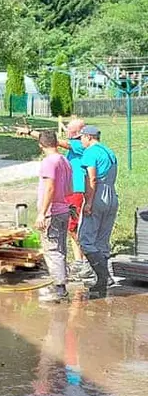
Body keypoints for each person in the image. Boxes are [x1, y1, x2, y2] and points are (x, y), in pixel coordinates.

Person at [22, 119, 91, 281]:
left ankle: (82, 266)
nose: (66, 130)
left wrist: (30, 132)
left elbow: (53, 142)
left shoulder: (78, 145)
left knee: (66, 236)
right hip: (68, 196)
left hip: (73, 194)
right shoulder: (65, 159)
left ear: (77, 132)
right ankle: (78, 262)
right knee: (66, 236)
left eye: (69, 128)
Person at [78, 125, 118, 298]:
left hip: (98, 195)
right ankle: (101, 283)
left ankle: (104, 278)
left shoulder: (90, 152)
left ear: (88, 137)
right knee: (102, 241)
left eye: (81, 137)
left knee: (85, 240)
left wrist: (88, 202)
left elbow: (92, 178)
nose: (81, 141)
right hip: (112, 195)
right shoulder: (109, 152)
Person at [35, 131, 73, 302]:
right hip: (64, 209)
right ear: (56, 143)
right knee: (61, 248)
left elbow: (49, 188)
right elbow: (69, 189)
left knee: (52, 250)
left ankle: (59, 289)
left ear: (40, 145)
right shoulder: (65, 160)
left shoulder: (48, 162)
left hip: (53, 212)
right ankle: (59, 283)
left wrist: (42, 213)